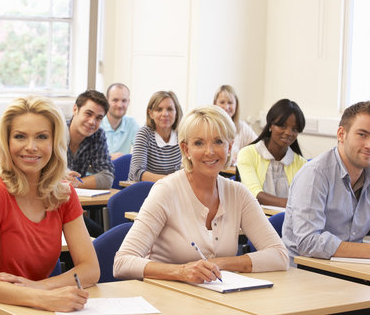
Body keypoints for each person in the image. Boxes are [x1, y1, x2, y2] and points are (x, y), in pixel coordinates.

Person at [114, 106, 288, 282]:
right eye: (199, 143)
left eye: (218, 141)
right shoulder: (166, 190)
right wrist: (181, 271)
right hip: (167, 299)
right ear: (186, 149)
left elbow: (279, 255)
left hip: (218, 299)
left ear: (230, 146)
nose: (210, 151)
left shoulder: (238, 194)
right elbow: (122, 262)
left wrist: (218, 264)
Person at [0, 96, 99, 314]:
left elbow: (90, 269)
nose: (31, 147)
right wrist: (42, 297)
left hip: (35, 306)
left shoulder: (64, 193)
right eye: (20, 137)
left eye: (42, 137)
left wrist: (39, 289)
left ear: (54, 142)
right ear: (7, 142)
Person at [283, 101, 370, 262]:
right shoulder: (315, 174)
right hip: (306, 272)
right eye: (362, 135)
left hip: (351, 270)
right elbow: (308, 242)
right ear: (341, 134)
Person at [237, 99, 307, 208]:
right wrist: (293, 204)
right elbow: (255, 194)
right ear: (270, 125)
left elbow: (304, 199)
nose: (289, 133)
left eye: (295, 129)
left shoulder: (302, 164)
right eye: (283, 126)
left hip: (288, 222)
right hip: (254, 219)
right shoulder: (247, 154)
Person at [128, 91, 183, 182]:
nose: (165, 114)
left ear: (176, 113)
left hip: (170, 191)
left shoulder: (182, 135)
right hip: (142, 190)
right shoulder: (144, 134)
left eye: (170, 109)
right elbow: (137, 173)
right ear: (151, 114)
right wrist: (170, 180)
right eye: (159, 109)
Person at [65, 90, 114, 190]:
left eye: (98, 118)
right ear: (75, 109)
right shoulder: (55, 132)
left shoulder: (97, 135)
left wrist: (75, 183)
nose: (92, 122)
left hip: (78, 198)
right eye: (88, 114)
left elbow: (107, 177)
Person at [213, 85, 256, 164]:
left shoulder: (242, 127)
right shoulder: (208, 126)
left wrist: (241, 157)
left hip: (234, 173)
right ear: (215, 104)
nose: (226, 107)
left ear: (236, 105)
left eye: (230, 103)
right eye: (222, 102)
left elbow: (258, 148)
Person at [100, 83, 140, 160]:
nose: (120, 105)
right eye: (115, 100)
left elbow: (143, 151)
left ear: (128, 102)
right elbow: (85, 158)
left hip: (121, 171)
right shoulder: (96, 123)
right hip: (95, 171)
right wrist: (109, 157)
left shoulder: (131, 124)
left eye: (124, 101)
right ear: (106, 100)